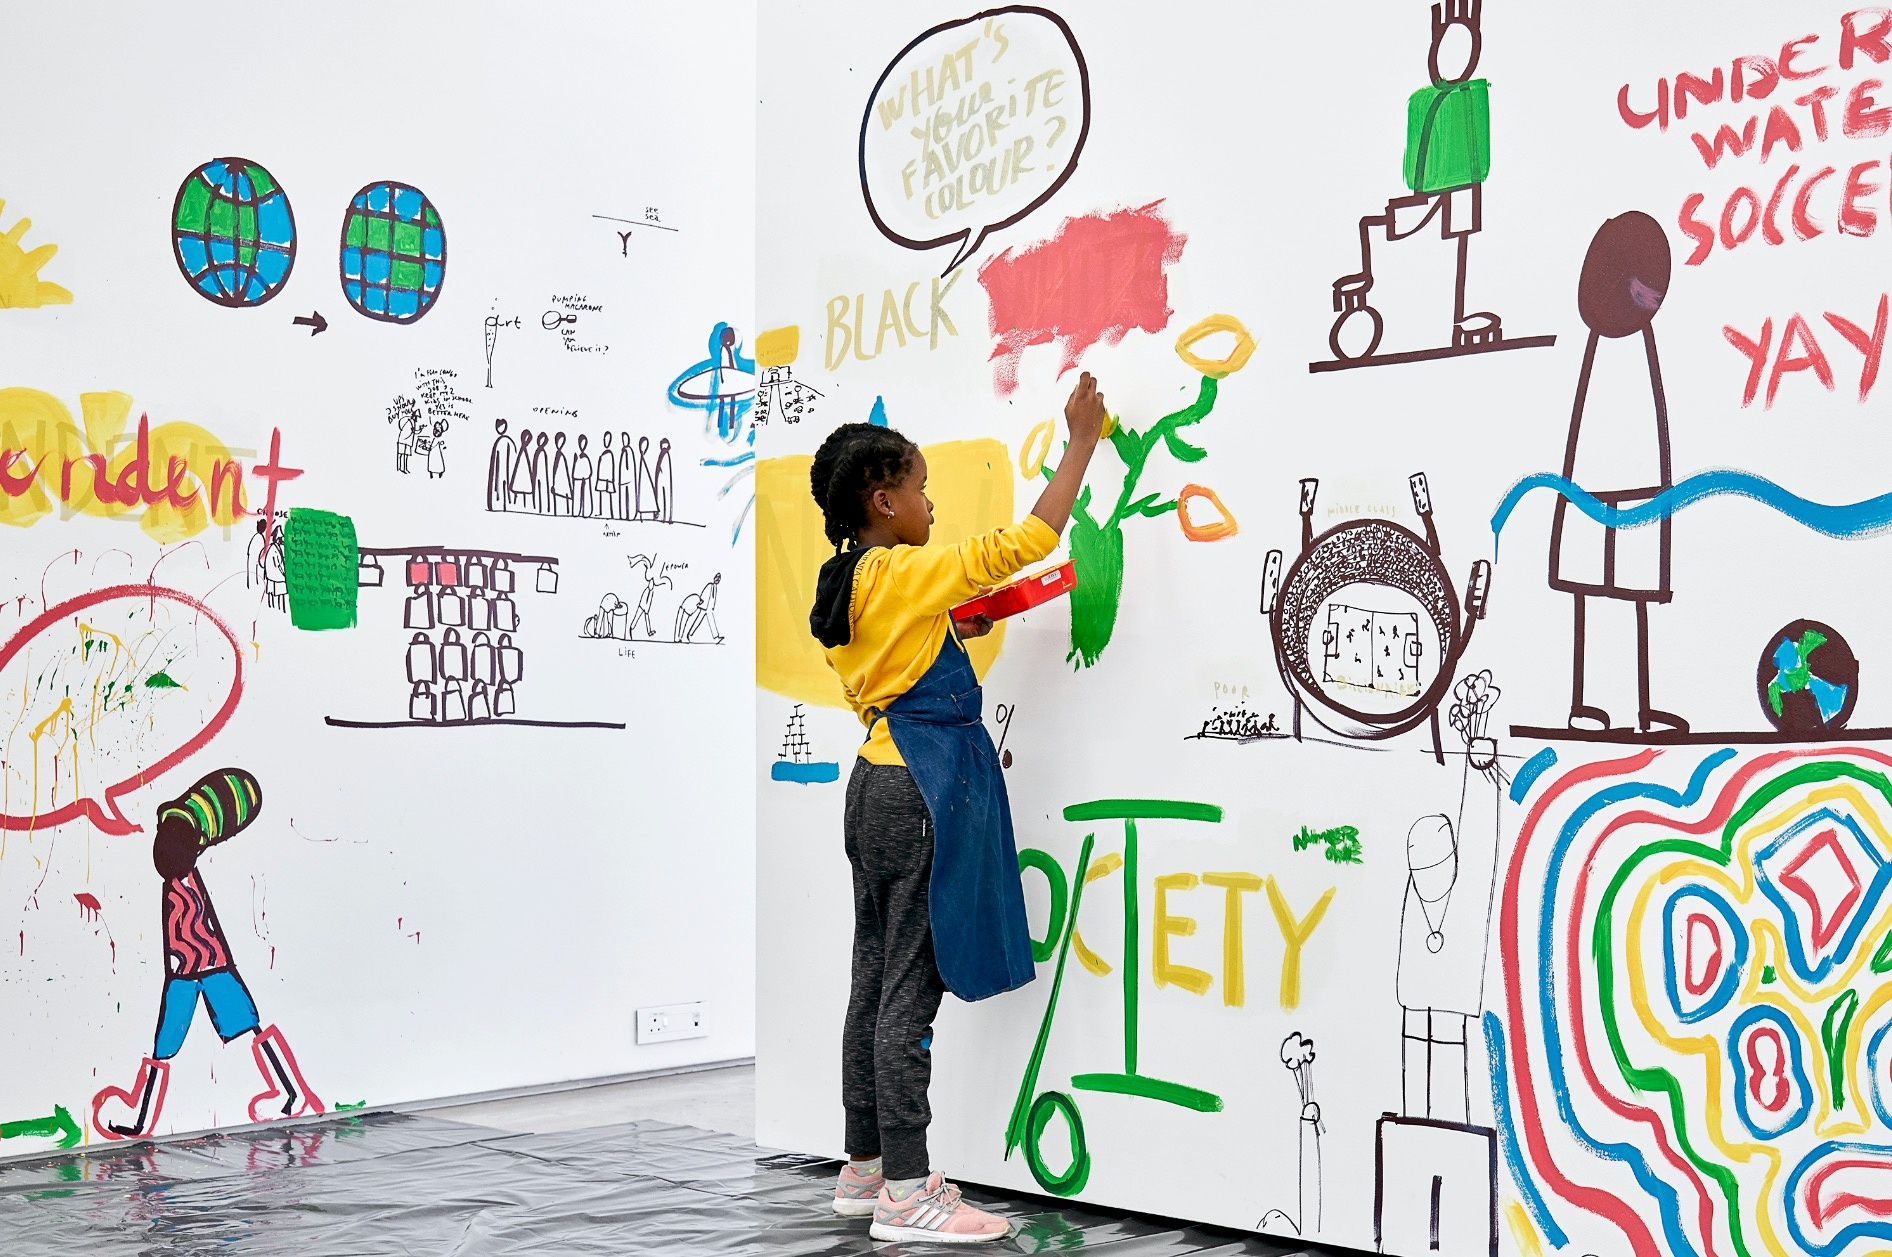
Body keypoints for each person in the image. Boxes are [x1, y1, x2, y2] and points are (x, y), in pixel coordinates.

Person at [807, 373, 1106, 1243]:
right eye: (923, 490)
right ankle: (907, 1192)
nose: (931, 505)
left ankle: (864, 1168)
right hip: (923, 788)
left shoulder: (848, 584)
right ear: (884, 499)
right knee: (908, 995)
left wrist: (947, 632)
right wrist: (1080, 440)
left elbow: (894, 660)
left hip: (872, 786)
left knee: (871, 982)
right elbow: (1026, 540)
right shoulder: (900, 569)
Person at [90, 769, 323, 1140]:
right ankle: (141, 1115)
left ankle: (290, 1091)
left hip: (206, 968)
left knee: (238, 1028)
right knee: (172, 1042)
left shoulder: (184, 881)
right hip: (189, 972)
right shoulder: (177, 881)